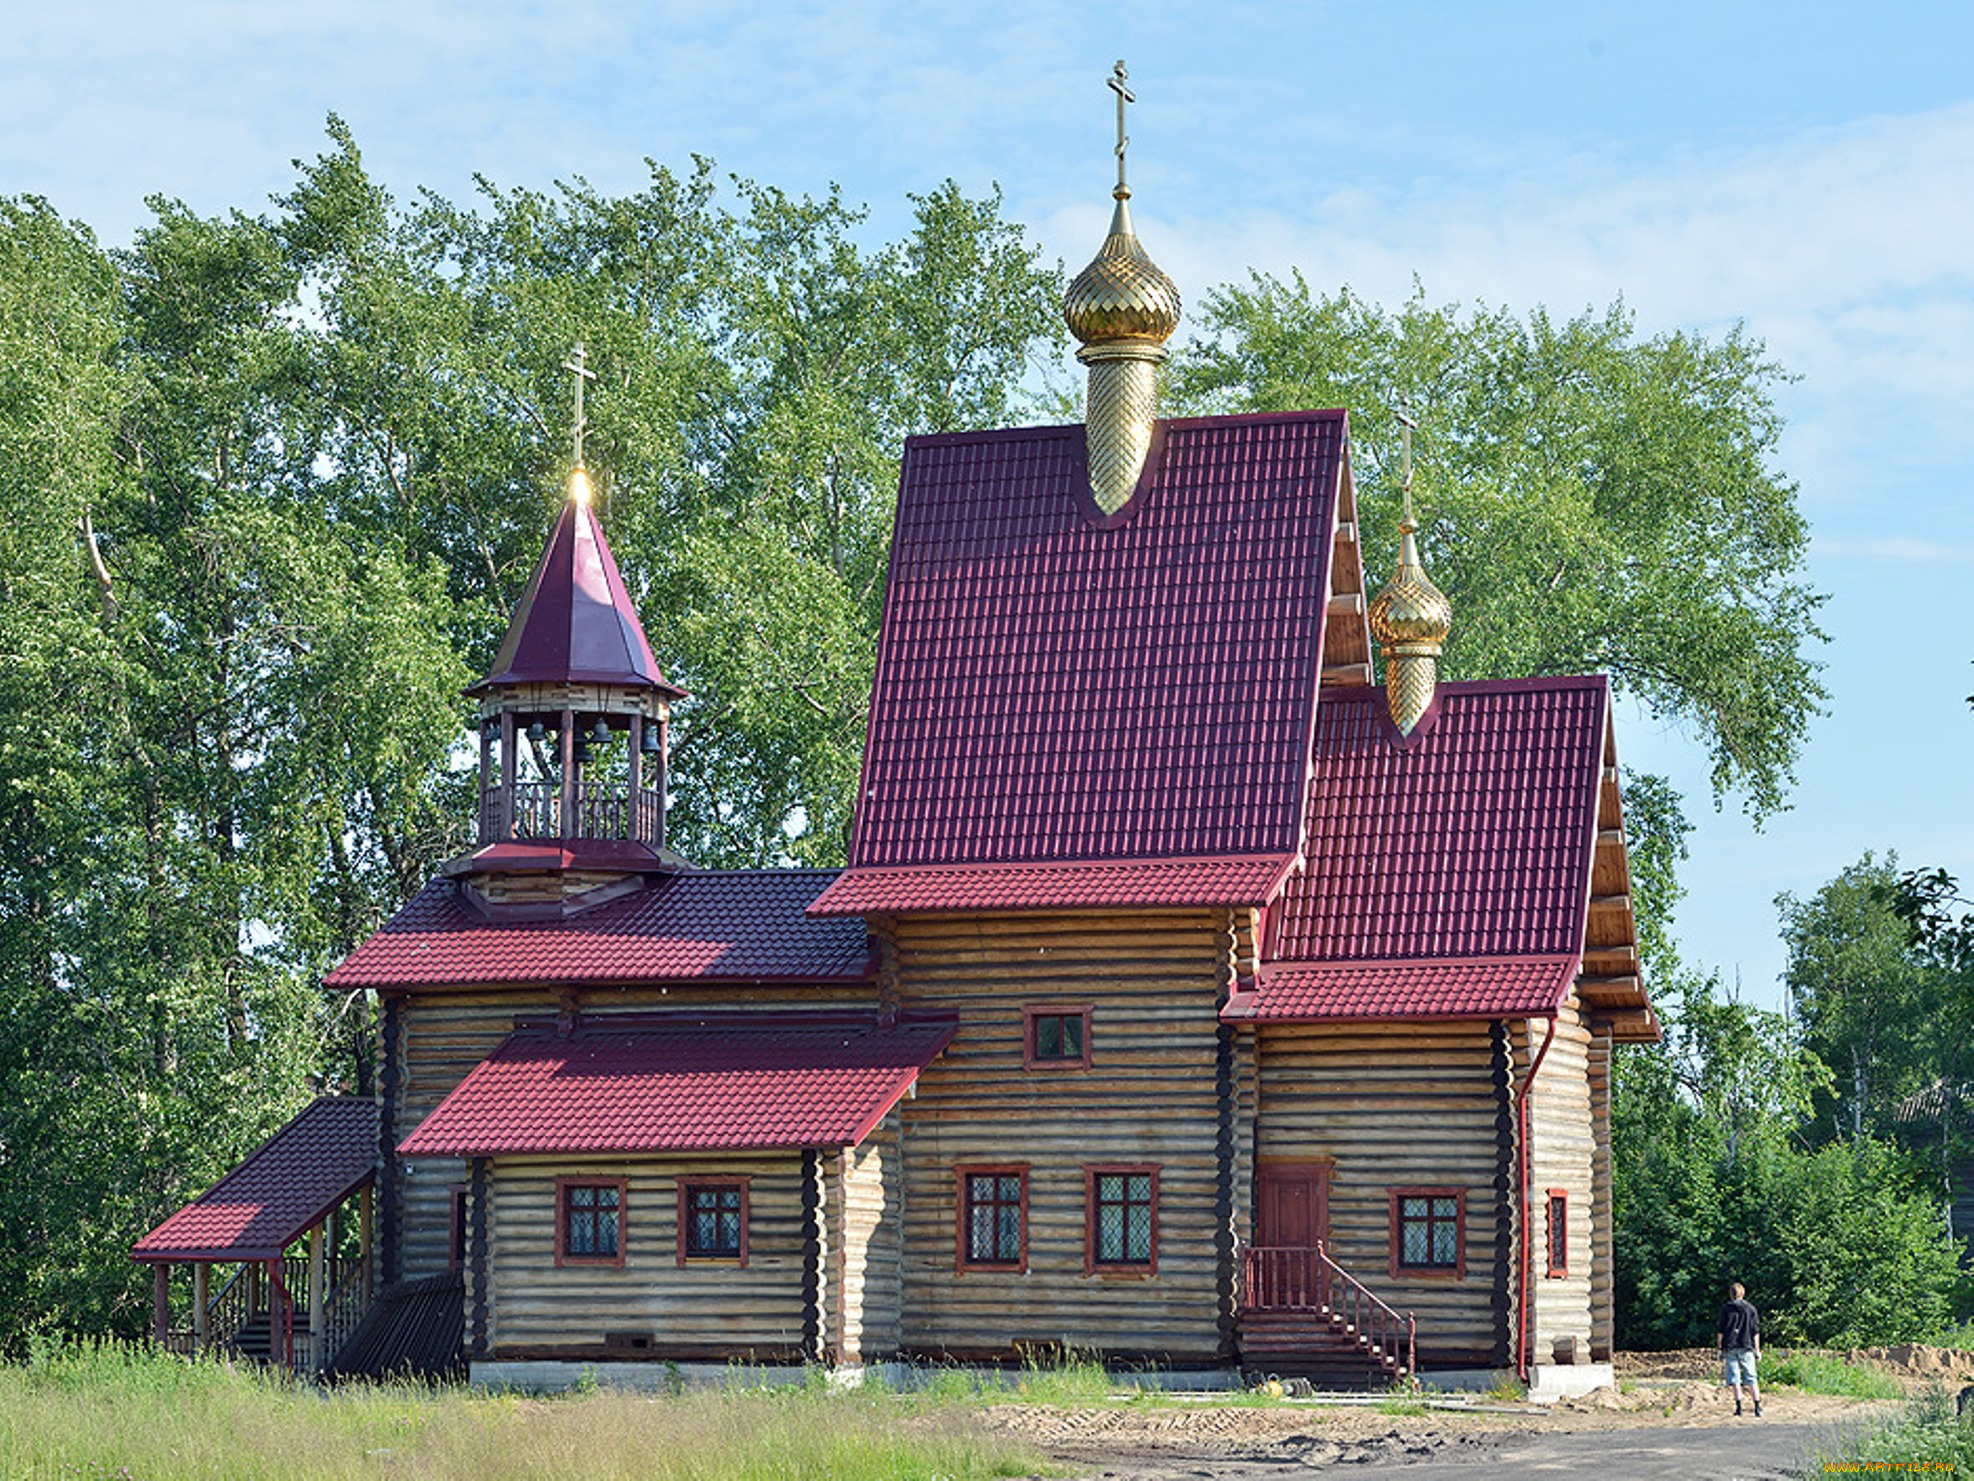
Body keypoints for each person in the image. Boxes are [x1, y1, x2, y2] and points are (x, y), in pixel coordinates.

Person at [1718, 1281, 1762, 1417]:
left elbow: (1721, 1331)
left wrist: (1719, 1348)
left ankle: (1739, 1408)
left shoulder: (1726, 1309)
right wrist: (1757, 1350)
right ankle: (1757, 1407)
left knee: (1735, 1379)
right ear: (1743, 1293)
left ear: (1731, 1294)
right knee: (1751, 1378)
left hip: (1730, 1347)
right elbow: (1755, 1332)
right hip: (1746, 1346)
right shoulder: (1751, 1309)